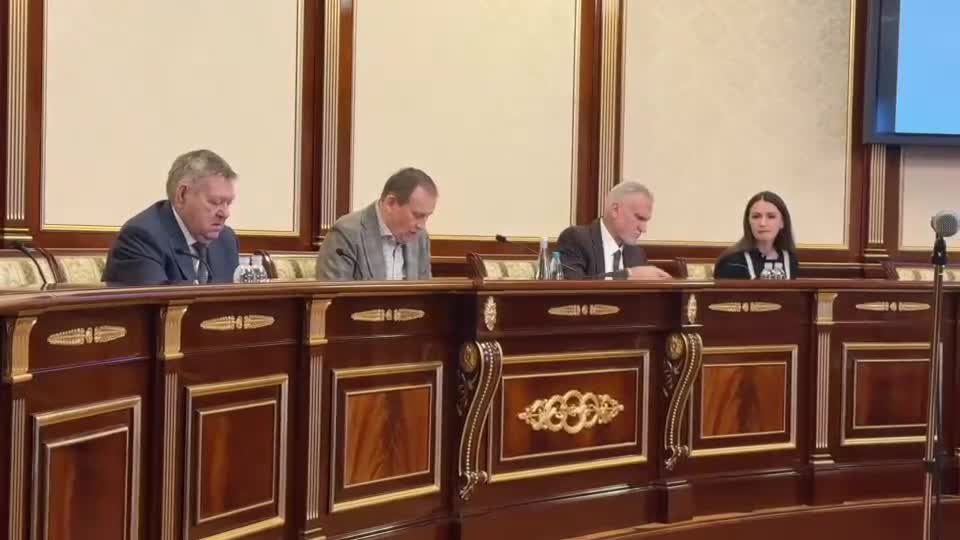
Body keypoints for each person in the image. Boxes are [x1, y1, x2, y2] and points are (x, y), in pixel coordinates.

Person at [102, 149, 240, 285]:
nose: (225, 213)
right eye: (215, 202)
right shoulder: (140, 238)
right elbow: (158, 299)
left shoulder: (226, 240)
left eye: (228, 203)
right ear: (182, 195)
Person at [316, 167, 436, 281]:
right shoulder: (346, 233)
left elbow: (425, 293)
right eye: (417, 215)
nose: (422, 225)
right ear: (390, 203)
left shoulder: (420, 238)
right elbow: (332, 294)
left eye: (427, 216)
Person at [556, 182, 671, 280]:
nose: (643, 229)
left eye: (646, 221)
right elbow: (573, 287)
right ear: (615, 210)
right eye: (639, 218)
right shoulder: (575, 239)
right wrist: (627, 275)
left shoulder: (636, 253)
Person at [713, 191, 799, 280]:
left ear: (782, 222)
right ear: (748, 222)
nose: (762, 223)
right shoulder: (732, 262)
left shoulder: (790, 259)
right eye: (756, 217)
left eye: (771, 216)